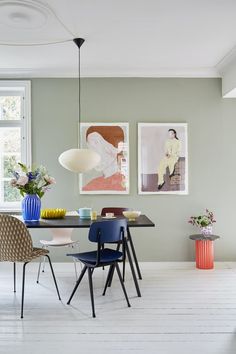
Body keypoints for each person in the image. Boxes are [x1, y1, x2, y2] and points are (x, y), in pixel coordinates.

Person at [82, 125, 127, 191]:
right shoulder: (90, 186)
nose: (92, 151)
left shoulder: (125, 184)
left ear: (114, 148)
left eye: (96, 143)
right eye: (90, 146)